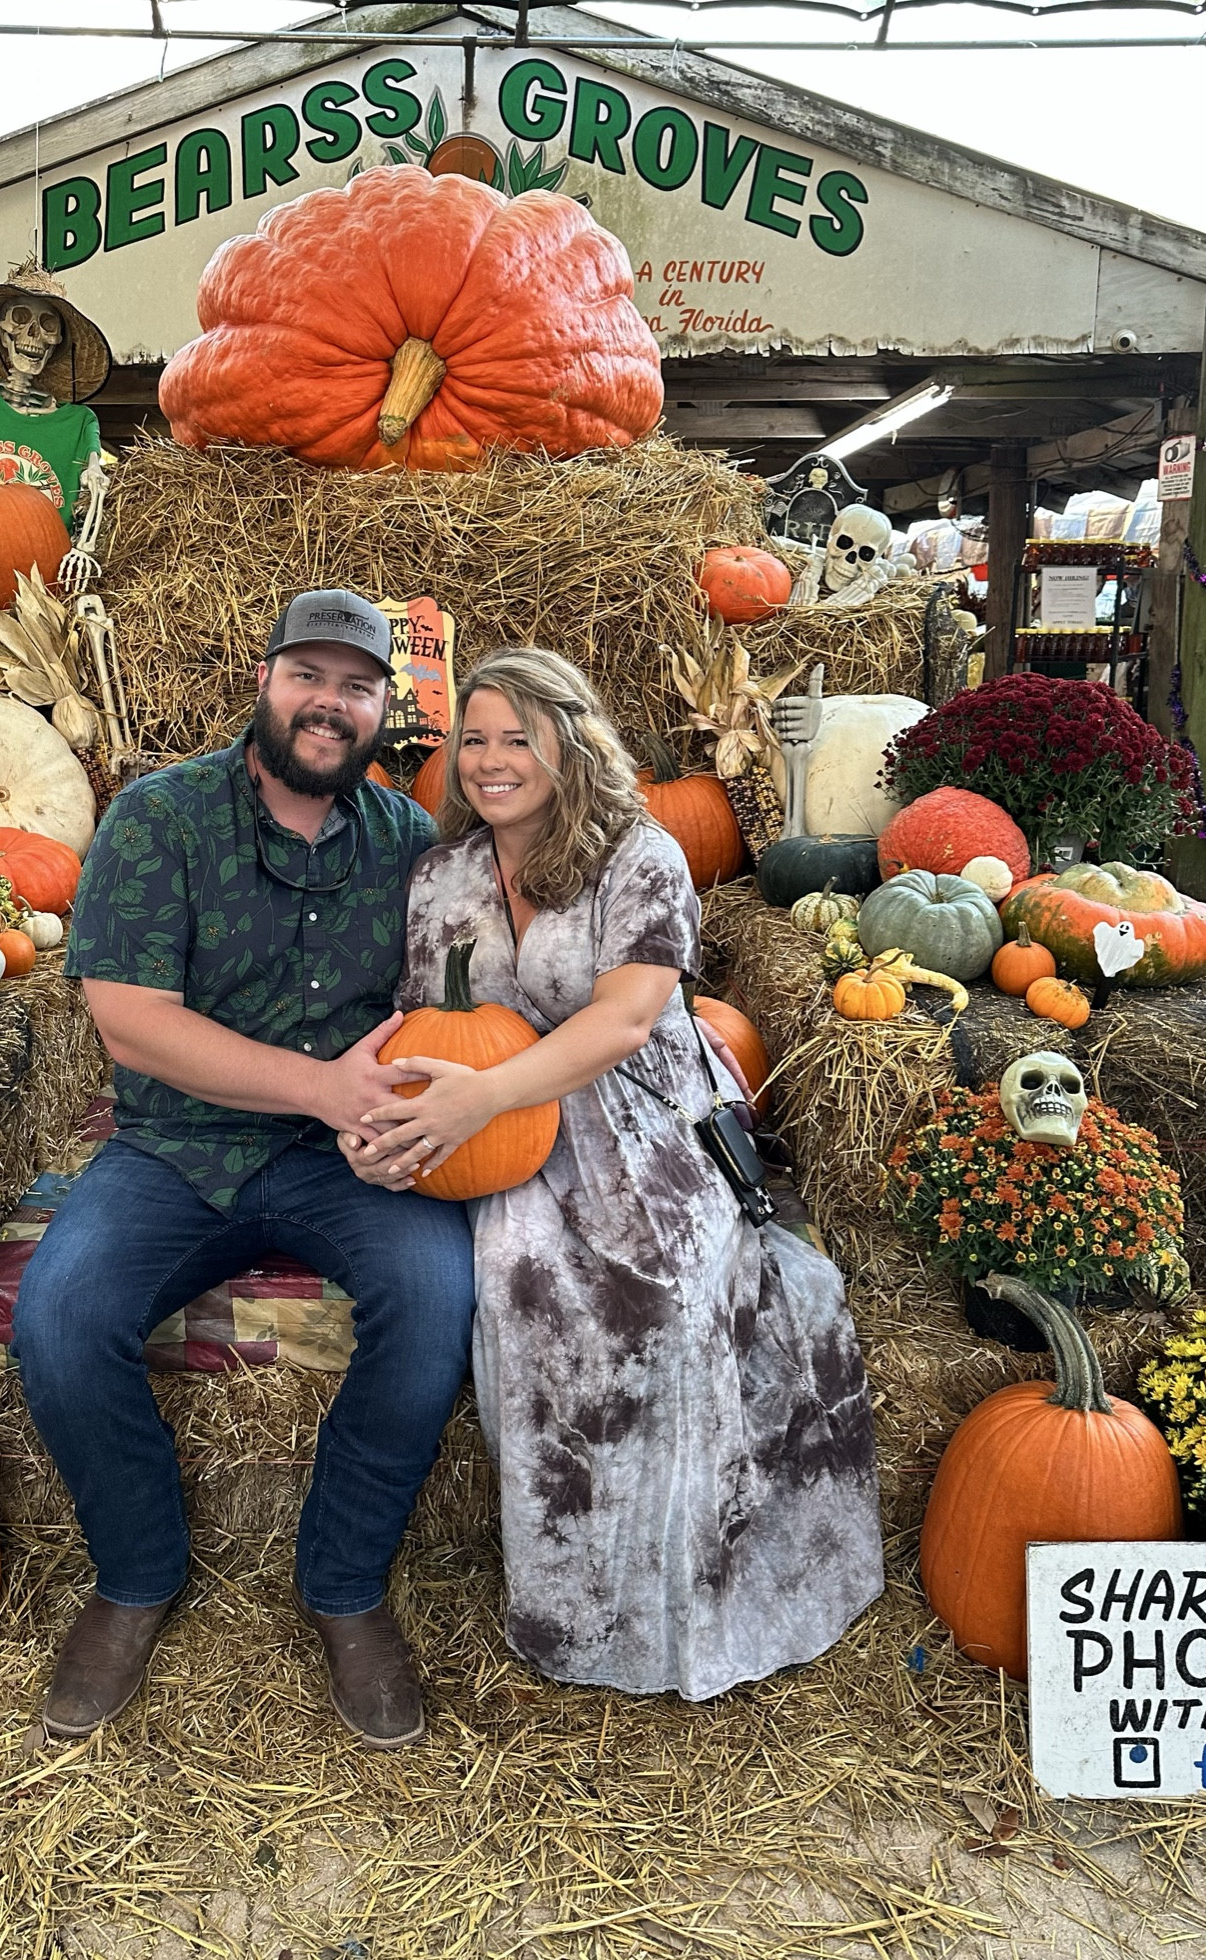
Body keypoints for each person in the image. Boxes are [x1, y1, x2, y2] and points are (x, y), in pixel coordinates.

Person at [342, 647, 883, 1700]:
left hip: (639, 1108)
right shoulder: (442, 874)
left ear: (567, 743)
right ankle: (584, 1610)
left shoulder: (638, 852)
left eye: (517, 738)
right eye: (475, 739)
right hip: (496, 1124)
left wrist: (482, 1098)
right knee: (520, 1287)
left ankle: (685, 1598)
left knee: (676, 1298)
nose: (491, 760)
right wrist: (366, 1110)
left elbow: (628, 1017)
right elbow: (423, 1025)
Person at [14, 590, 475, 1748]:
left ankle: (343, 1585)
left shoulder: (410, 844)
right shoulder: (159, 816)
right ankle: (135, 1575)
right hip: (175, 1147)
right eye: (307, 674)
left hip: (344, 1159)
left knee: (434, 1302)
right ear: (263, 681)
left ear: (387, 709)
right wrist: (321, 1084)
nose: (330, 702)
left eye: (356, 684)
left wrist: (399, 1106)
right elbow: (129, 1022)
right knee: (58, 1315)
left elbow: (442, 1012)